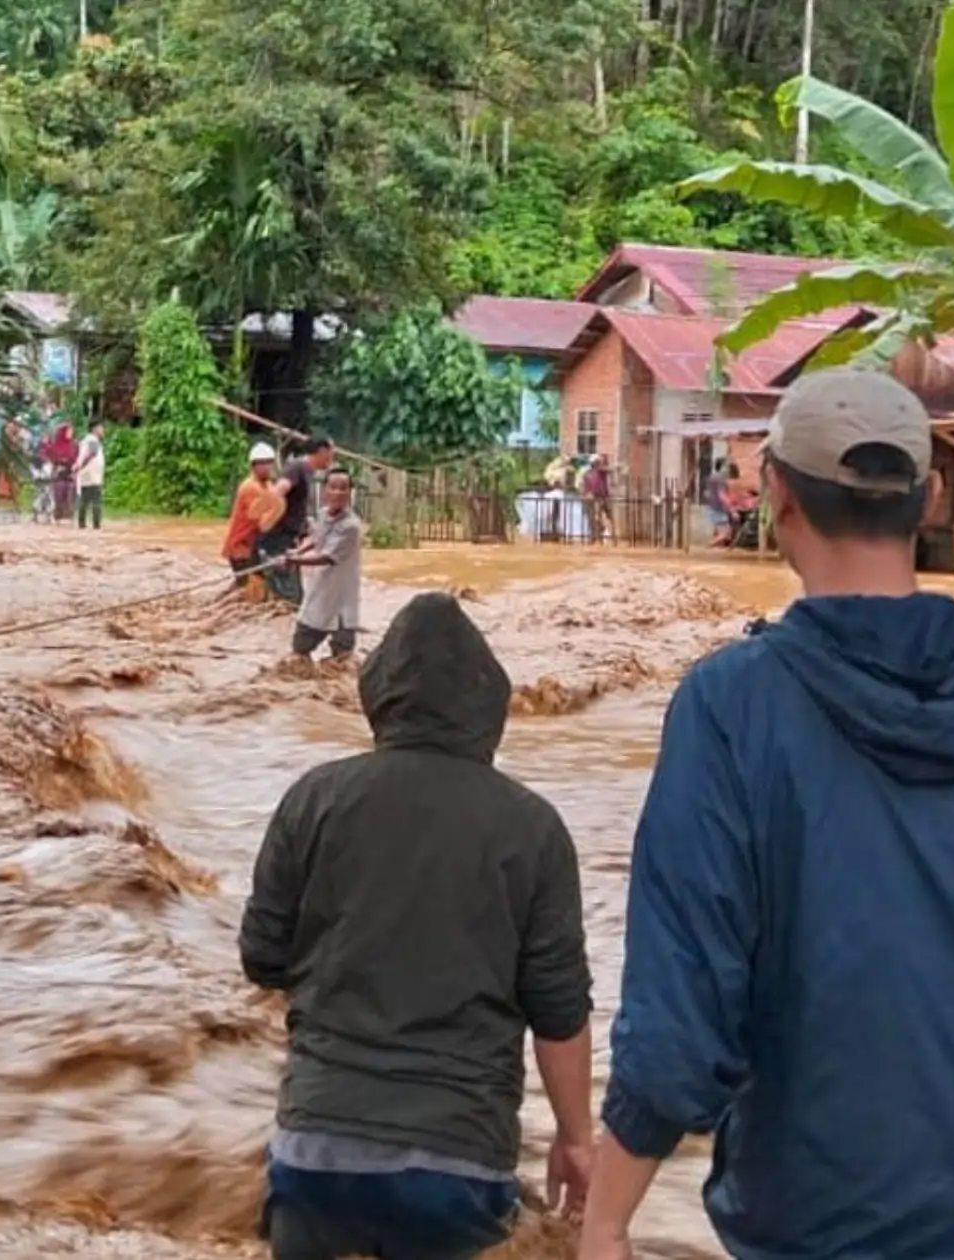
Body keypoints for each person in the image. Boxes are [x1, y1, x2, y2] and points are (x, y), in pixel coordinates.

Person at [579, 369, 954, 1260]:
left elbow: (684, 1009)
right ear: (932, 496)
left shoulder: (731, 707)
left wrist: (608, 1219)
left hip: (820, 1226)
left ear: (777, 494)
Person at [244, 591, 595, 1260]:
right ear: (489, 705)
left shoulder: (313, 799)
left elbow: (262, 957)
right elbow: (558, 1010)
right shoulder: (534, 828)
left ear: (378, 696)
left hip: (315, 1151)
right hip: (459, 1162)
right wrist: (575, 1142)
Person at [285, 470, 364, 661]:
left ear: (350, 493)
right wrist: (298, 552)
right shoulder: (322, 514)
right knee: (299, 652)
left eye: (343, 488)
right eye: (333, 487)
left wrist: (294, 561)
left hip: (342, 602)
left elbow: (327, 557)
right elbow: (316, 537)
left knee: (342, 660)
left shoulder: (351, 526)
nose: (337, 493)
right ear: (324, 490)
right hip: (320, 594)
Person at [260, 436, 336, 606]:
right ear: (322, 452)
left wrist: (306, 527)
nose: (332, 458)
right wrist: (271, 523)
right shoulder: (297, 467)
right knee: (289, 601)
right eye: (332, 453)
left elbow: (296, 505)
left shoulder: (307, 471)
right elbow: (277, 492)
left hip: (289, 540)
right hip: (278, 541)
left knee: (295, 600)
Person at [224, 443, 288, 590]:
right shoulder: (251, 488)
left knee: (250, 587)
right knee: (253, 591)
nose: (268, 467)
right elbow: (264, 523)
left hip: (251, 547)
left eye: (270, 462)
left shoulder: (267, 485)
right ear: (254, 466)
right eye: (263, 463)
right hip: (241, 548)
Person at [42, 422, 78, 524]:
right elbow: (48, 452)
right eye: (68, 431)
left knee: (70, 492)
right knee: (59, 492)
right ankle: (58, 515)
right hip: (58, 472)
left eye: (71, 431)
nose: (71, 433)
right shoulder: (55, 445)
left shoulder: (74, 445)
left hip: (69, 472)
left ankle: (68, 515)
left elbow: (76, 456)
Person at [75, 420, 106, 529]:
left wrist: (79, 467)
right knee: (96, 500)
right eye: (101, 428)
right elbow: (91, 454)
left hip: (86, 474)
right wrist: (82, 465)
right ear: (94, 429)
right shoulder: (93, 440)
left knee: (84, 499)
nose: (103, 430)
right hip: (92, 474)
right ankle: (96, 524)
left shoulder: (85, 440)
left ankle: (81, 523)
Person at [701, 459, 736, 546]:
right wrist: (732, 510)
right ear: (721, 467)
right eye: (727, 467)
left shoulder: (712, 478)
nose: (729, 469)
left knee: (720, 533)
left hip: (712, 507)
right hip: (718, 509)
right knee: (725, 534)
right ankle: (707, 547)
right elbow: (722, 496)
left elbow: (706, 493)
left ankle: (712, 552)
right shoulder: (721, 480)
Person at [582, 453, 614, 544]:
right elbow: (586, 487)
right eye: (598, 462)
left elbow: (609, 470)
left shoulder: (601, 472)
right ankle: (597, 537)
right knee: (597, 518)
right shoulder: (587, 474)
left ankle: (610, 536)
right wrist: (587, 494)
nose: (600, 464)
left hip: (604, 497)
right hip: (595, 498)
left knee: (608, 517)